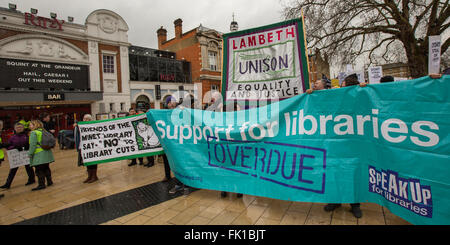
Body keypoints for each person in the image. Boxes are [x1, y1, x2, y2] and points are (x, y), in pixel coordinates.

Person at [307, 74, 365, 218]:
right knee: (334, 172)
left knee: (352, 174)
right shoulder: (331, 96)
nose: (342, 86)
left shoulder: (357, 97)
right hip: (333, 143)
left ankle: (355, 204)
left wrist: (365, 90)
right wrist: (311, 94)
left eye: (344, 84)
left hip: (351, 144)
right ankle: (335, 201)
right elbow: (319, 104)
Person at [0, 123, 35, 189]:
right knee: (13, 170)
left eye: (20, 127)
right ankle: (8, 184)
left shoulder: (27, 135)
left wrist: (28, 146)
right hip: (16, 157)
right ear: (15, 129)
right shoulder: (12, 137)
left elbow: (32, 143)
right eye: (17, 127)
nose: (19, 128)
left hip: (25, 155)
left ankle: (31, 180)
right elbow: (8, 146)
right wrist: (15, 147)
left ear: (23, 128)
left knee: (29, 168)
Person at [28, 120, 55, 191]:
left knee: (39, 170)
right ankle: (49, 181)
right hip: (47, 152)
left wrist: (30, 154)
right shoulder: (44, 131)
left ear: (35, 125)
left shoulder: (34, 133)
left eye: (30, 125)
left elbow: (33, 145)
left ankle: (41, 184)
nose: (29, 126)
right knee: (46, 168)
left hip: (39, 154)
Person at [74, 114, 99, 183]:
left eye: (87, 119)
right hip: (84, 146)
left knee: (93, 161)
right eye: (84, 118)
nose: (85, 120)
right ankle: (89, 176)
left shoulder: (93, 126)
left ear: (90, 120)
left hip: (92, 147)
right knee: (87, 161)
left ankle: (94, 176)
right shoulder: (81, 127)